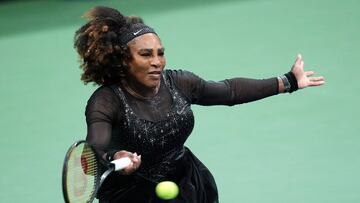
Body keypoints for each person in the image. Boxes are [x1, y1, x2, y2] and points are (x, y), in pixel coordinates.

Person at [74, 6, 325, 203]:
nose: (157, 62)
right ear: (123, 60)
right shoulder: (106, 101)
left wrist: (289, 81)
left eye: (160, 53)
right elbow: (93, 150)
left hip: (186, 183)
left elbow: (229, 91)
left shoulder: (179, 82)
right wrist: (115, 156)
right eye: (146, 54)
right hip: (130, 195)